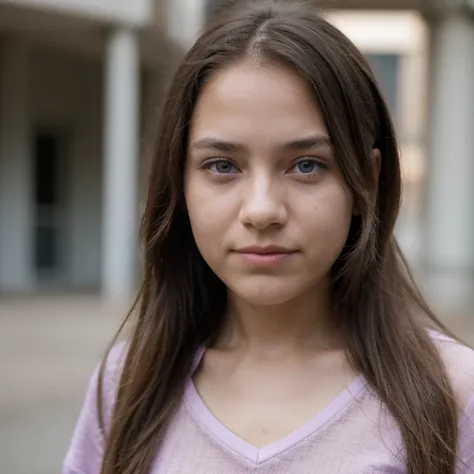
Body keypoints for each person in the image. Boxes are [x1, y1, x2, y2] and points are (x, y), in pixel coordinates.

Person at [62, 1, 474, 473]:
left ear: (368, 181)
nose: (261, 210)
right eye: (222, 166)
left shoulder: (453, 394)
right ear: (180, 182)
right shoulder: (127, 385)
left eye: (306, 165)